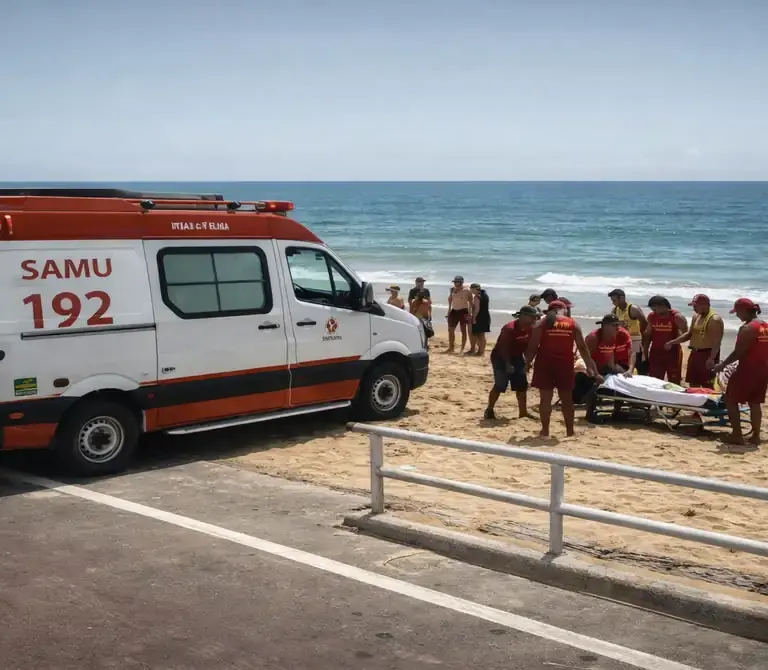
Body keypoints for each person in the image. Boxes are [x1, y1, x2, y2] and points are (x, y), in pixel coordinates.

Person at [526, 300, 597, 437]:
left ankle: (545, 431)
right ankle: (570, 431)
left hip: (544, 364)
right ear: (564, 310)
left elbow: (532, 347)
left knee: (545, 399)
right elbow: (582, 347)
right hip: (565, 365)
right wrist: (589, 365)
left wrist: (527, 363)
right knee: (567, 400)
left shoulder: (542, 323)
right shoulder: (572, 323)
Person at [712, 298, 768, 447]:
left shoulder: (747, 328)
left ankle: (737, 435)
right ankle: (756, 436)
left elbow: (738, 353)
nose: (737, 315)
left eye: (737, 312)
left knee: (730, 399)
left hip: (746, 370)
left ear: (744, 311)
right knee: (755, 403)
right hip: (763, 370)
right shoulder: (765, 326)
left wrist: (722, 365)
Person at [484, 306, 538, 420]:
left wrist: (527, 362)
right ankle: (489, 409)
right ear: (523, 316)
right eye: (532, 317)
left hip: (517, 357)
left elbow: (528, 347)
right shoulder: (509, 328)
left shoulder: (531, 329)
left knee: (522, 386)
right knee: (500, 385)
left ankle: (523, 412)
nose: (535, 319)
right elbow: (503, 348)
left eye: (535, 317)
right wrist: (507, 364)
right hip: (500, 357)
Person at [665, 294, 723, 389]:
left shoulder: (714, 319)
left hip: (707, 354)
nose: (694, 309)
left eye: (696, 306)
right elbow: (689, 334)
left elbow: (717, 342)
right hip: (695, 353)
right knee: (693, 382)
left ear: (705, 305)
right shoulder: (696, 316)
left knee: (707, 384)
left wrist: (711, 358)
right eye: (693, 306)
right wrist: (672, 342)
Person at [643, 296, 687, 384]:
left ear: (662, 306)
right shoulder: (652, 316)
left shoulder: (677, 317)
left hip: (673, 353)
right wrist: (645, 352)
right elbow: (648, 335)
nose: (654, 312)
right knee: (654, 380)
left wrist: (673, 342)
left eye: (655, 309)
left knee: (674, 381)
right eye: (652, 310)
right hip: (656, 352)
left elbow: (687, 335)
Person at [608, 288, 648, 373]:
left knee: (638, 363)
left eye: (614, 300)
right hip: (623, 341)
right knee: (624, 363)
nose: (613, 303)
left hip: (635, 340)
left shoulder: (632, 309)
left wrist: (641, 335)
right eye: (612, 300)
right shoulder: (615, 310)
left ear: (622, 298)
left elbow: (644, 322)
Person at [446, 275, 473, 353]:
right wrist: (449, 311)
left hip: (463, 311)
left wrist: (470, 313)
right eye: (454, 282)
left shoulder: (467, 290)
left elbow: (471, 302)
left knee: (463, 330)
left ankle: (462, 349)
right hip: (454, 310)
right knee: (451, 330)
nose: (455, 283)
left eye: (456, 282)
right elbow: (450, 301)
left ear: (461, 282)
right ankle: (451, 347)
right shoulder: (452, 289)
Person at [468, 283, 491, 356]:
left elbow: (477, 309)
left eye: (471, 289)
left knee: (477, 335)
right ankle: (481, 351)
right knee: (482, 335)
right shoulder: (485, 295)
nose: (471, 291)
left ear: (474, 289)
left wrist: (474, 318)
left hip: (479, 317)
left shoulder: (476, 297)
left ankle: (477, 351)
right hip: (486, 317)